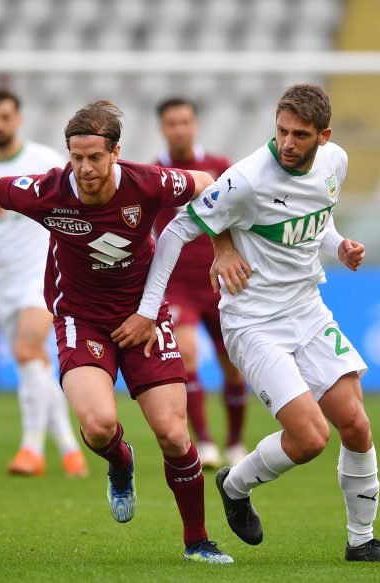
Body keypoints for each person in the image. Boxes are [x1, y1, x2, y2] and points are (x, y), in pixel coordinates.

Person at [0, 100, 234, 564]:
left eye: (95, 157)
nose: (85, 167)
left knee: (174, 435)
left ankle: (197, 540)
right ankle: (120, 461)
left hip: (144, 315)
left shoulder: (148, 181)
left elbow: (209, 186)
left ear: (116, 153)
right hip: (81, 318)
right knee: (98, 428)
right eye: (76, 157)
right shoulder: (47, 191)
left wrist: (221, 247)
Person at [136, 84, 380, 563]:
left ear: (324, 137)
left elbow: (317, 221)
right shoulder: (247, 178)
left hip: (307, 308)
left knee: (356, 425)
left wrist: (338, 245)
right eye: (280, 131)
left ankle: (362, 541)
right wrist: (145, 309)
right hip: (253, 321)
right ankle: (235, 485)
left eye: (299, 135)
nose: (286, 143)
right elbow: (178, 229)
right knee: (309, 439)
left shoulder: (335, 162)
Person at [0, 88, 87, 478]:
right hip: (1, 280)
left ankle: (30, 449)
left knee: (29, 351)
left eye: (5, 117)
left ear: (18, 118)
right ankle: (68, 448)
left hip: (41, 277)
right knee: (34, 365)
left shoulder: (45, 161)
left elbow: (75, 209)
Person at [151, 97, 247, 469]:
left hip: (220, 280)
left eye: (185, 122)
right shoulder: (155, 174)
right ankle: (205, 442)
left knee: (232, 365)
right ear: (163, 127)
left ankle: (236, 443)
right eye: (172, 123)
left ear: (195, 124)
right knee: (187, 355)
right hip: (177, 286)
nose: (179, 129)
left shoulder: (220, 168)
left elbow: (241, 218)